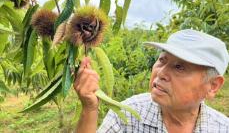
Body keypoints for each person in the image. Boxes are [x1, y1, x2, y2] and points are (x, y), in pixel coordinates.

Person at [74, 29, 229, 133]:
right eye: (162, 60)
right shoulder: (128, 115)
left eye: (179, 67)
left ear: (213, 86)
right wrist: (89, 109)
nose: (161, 73)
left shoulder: (221, 128)